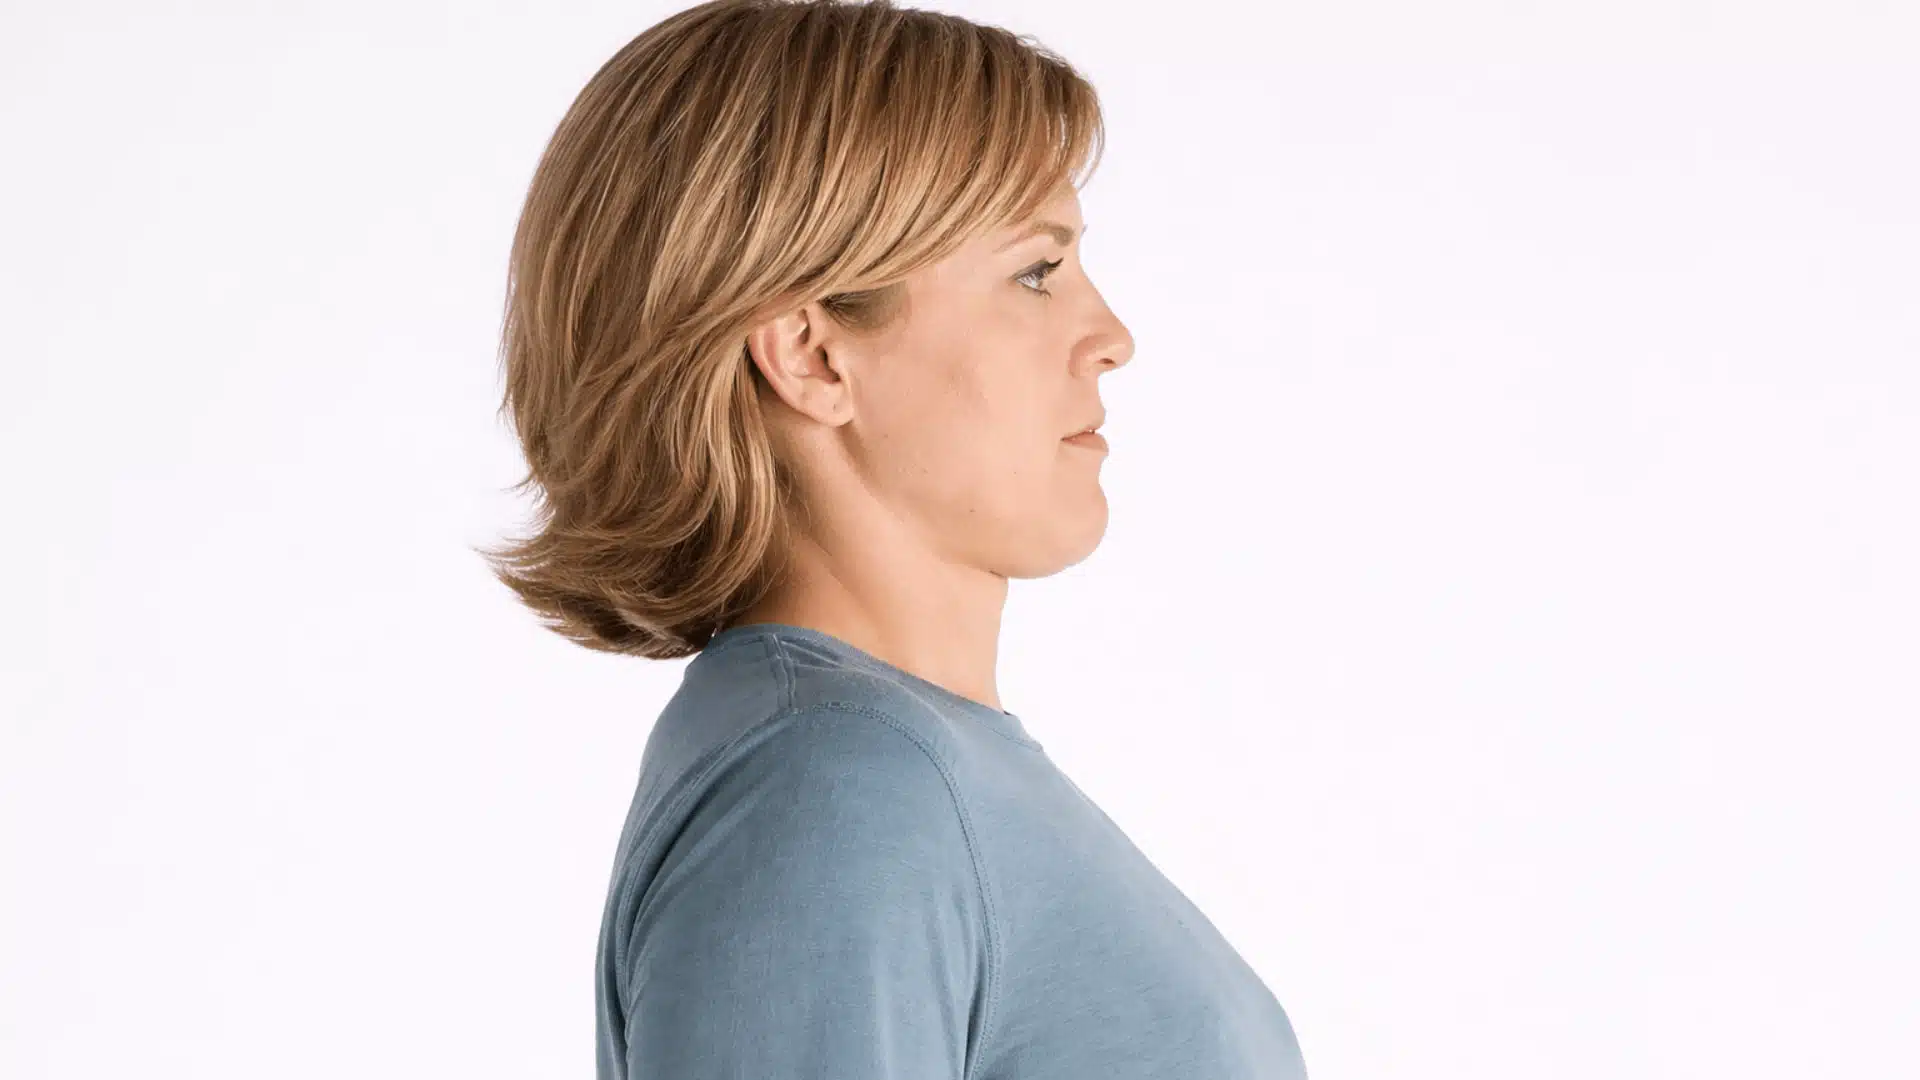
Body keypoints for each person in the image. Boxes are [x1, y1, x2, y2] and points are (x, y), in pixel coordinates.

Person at [478, 1, 1310, 1076]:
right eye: (1036, 273)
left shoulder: (889, 766)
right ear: (813, 357)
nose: (1111, 338)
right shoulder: (838, 790)